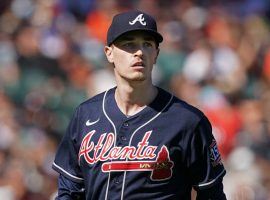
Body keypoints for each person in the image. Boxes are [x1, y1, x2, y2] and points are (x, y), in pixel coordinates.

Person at [52, 10, 227, 200]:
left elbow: (211, 194)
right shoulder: (85, 115)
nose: (139, 52)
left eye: (147, 44)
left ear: (156, 54)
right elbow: (69, 191)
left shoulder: (188, 121)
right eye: (129, 44)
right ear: (109, 53)